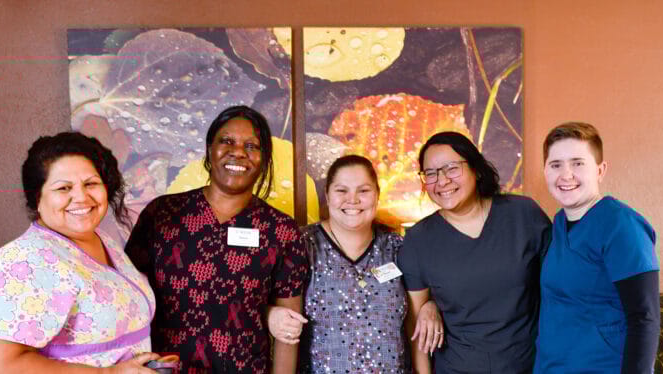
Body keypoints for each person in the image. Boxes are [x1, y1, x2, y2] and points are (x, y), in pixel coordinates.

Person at [125, 105, 308, 373]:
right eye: (227, 141)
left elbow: (288, 330)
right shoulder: (162, 214)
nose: (238, 152)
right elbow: (129, 299)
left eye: (252, 146)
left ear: (264, 158)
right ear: (210, 148)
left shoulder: (280, 230)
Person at [0, 132, 159, 373]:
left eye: (91, 184)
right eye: (64, 188)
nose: (81, 197)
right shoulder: (24, 259)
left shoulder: (102, 240)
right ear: (37, 198)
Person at [266, 155, 445, 373]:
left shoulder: (399, 248)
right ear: (328, 196)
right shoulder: (302, 247)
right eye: (342, 191)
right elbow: (260, 305)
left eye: (363, 191)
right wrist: (269, 313)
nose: (353, 199)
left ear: (377, 195)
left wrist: (431, 305)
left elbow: (417, 321)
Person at [397, 131, 552, 373]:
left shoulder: (523, 214)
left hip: (529, 365)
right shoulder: (418, 239)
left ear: (476, 169)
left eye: (451, 168)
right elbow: (417, 333)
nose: (442, 181)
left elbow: (560, 286)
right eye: (431, 173)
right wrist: (430, 303)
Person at [535, 122, 660, 373]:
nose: (566, 174)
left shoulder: (621, 225)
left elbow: (644, 317)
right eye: (556, 165)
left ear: (600, 170)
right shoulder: (557, 224)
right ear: (545, 171)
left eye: (578, 163)